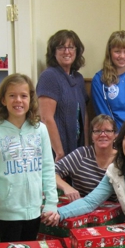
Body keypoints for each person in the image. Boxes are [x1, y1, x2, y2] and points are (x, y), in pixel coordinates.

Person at [0, 74, 58, 242]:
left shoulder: (40, 130)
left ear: (30, 99)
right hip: (7, 212)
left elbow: (47, 168)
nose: (18, 100)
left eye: (23, 96)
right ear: (3, 100)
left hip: (34, 210)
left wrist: (51, 202)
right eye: (12, 95)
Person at [36, 29, 89, 161]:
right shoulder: (49, 76)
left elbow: (84, 114)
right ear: (53, 52)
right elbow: (46, 118)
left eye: (71, 47)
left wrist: (86, 145)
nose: (67, 51)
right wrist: (59, 152)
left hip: (77, 147)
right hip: (57, 151)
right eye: (61, 47)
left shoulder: (78, 78)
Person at [55, 114, 118, 202]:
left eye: (107, 131)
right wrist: (66, 187)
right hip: (80, 209)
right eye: (97, 131)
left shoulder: (121, 159)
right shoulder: (81, 155)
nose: (103, 135)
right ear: (92, 136)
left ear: (115, 135)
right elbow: (50, 173)